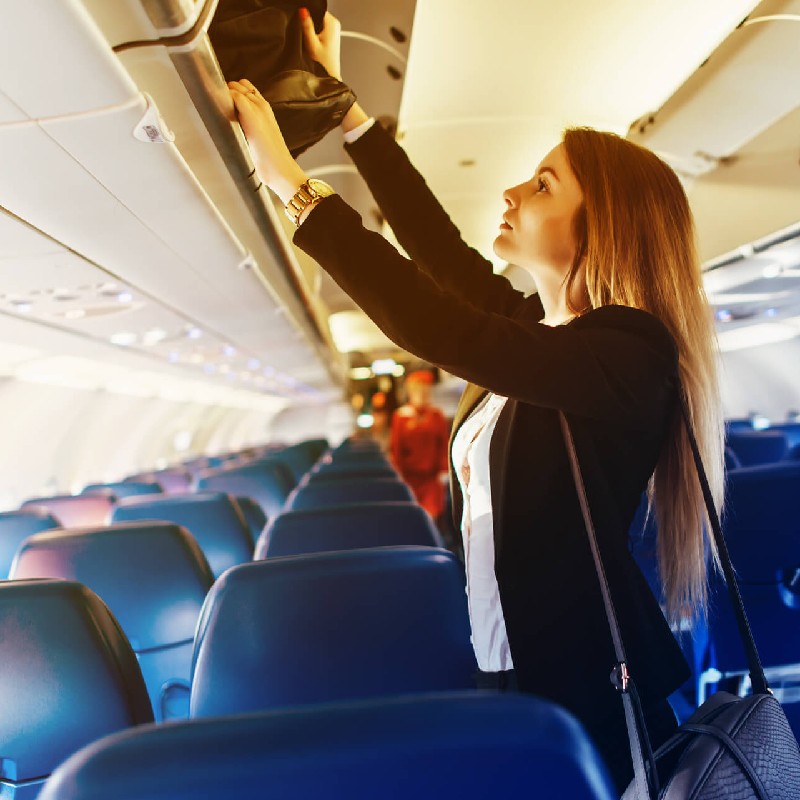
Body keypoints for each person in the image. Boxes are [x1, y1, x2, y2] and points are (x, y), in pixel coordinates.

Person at [227, 10, 725, 791]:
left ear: (603, 225)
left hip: (588, 684)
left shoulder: (629, 353)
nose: (512, 190)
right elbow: (439, 255)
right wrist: (347, 113)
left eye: (542, 183)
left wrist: (291, 183)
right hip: (502, 664)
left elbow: (430, 321)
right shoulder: (545, 332)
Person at [389, 370, 449, 519]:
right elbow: (396, 449)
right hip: (409, 479)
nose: (423, 394)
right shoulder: (401, 416)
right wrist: (399, 478)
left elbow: (444, 445)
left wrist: (444, 470)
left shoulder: (436, 415)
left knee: (431, 517)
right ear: (410, 392)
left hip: (432, 479)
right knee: (413, 517)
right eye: (419, 390)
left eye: (426, 390)